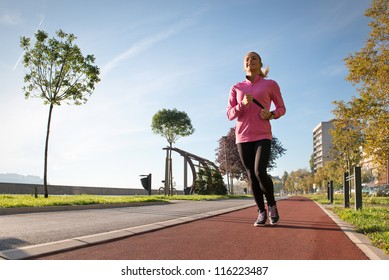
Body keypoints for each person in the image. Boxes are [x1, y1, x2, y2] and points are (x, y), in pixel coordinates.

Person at [227, 51, 286, 226]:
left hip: (262, 134)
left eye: (253, 58)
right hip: (243, 136)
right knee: (251, 175)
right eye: (246, 59)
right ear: (243, 65)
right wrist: (242, 104)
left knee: (260, 171)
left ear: (260, 64)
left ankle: (272, 206)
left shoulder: (270, 84)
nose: (249, 61)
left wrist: (272, 114)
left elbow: (282, 108)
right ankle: (261, 211)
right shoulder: (236, 87)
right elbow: (229, 114)